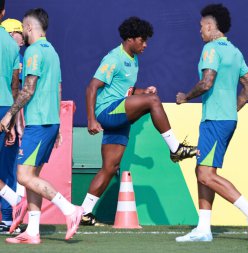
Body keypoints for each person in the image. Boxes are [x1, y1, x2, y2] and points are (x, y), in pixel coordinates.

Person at [80, 16, 197, 225]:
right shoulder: (113, 58)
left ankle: (83, 213)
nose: (145, 45)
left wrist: (142, 92)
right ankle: (176, 149)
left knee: (109, 167)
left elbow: (126, 90)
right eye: (142, 40)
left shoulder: (133, 60)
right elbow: (92, 87)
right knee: (153, 101)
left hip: (120, 115)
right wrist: (90, 119)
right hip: (108, 112)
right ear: (130, 39)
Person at [175, 4, 248, 243]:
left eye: (202, 26)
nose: (200, 31)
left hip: (215, 119)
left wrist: (185, 97)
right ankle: (204, 228)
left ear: (212, 26)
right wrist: (231, 109)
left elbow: (206, 83)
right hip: (224, 118)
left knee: (205, 174)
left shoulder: (211, 49)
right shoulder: (235, 51)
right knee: (203, 171)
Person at [0, 8, 83, 244]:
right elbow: (57, 89)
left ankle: (69, 209)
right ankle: (33, 231)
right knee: (31, 176)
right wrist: (57, 126)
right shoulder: (52, 52)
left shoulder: (34, 52)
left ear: (28, 28)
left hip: (38, 123)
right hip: (48, 122)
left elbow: (28, 89)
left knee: (24, 176)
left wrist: (9, 116)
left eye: (23, 30)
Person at [0, 0, 25, 234]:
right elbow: (15, 85)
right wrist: (14, 117)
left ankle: (15, 202)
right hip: (7, 107)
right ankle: (9, 219)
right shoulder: (11, 45)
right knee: (6, 166)